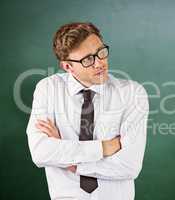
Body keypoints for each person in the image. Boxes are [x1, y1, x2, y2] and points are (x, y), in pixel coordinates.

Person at [26, 22, 149, 200]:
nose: (99, 63)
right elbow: (40, 152)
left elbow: (130, 166)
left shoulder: (131, 93)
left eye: (101, 52)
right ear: (68, 66)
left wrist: (70, 162)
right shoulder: (48, 89)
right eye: (87, 59)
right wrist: (105, 147)